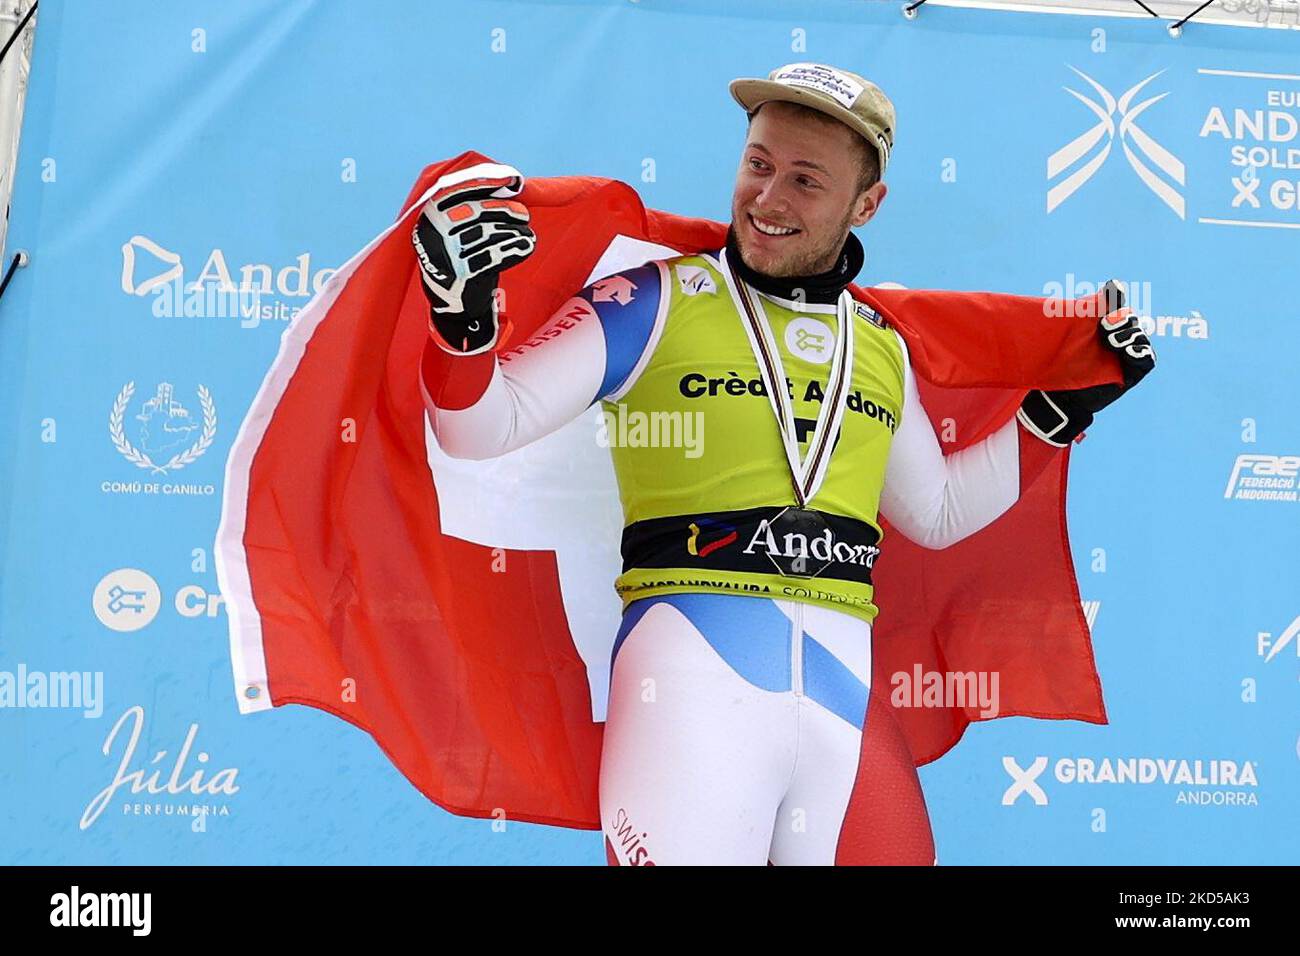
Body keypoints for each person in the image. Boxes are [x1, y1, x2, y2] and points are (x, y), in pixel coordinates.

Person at [411, 63, 1155, 865]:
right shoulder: (652, 300)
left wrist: (1057, 414)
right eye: (758, 165)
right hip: (689, 679)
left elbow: (938, 515)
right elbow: (481, 427)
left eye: (805, 180)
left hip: (843, 692)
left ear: (866, 204)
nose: (767, 200)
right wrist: (462, 322)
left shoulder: (879, 345)